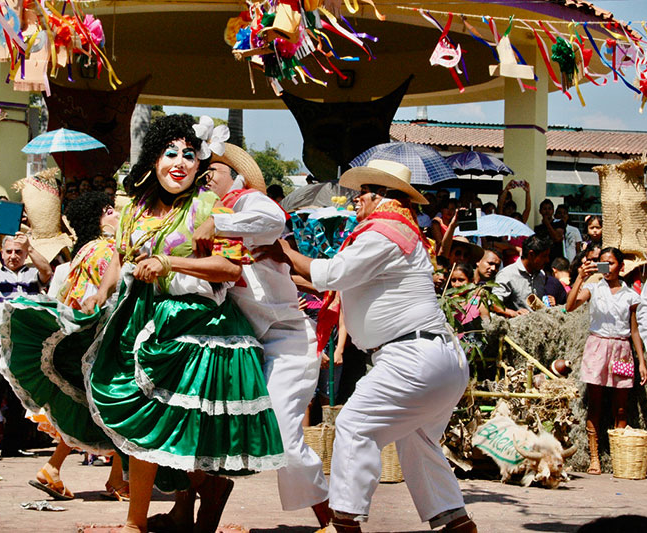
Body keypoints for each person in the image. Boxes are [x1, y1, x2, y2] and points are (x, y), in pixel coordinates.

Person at [0, 115, 284, 533]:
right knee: (140, 421)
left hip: (195, 327)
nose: (180, 162)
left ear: (200, 163)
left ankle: (189, 498)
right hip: (137, 321)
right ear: (153, 159)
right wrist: (101, 292)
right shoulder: (136, 207)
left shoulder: (210, 207)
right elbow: (120, 256)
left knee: (175, 428)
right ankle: (150, 516)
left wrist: (170, 262)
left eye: (190, 154)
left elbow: (228, 268)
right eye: (171, 153)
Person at [260, 159, 475, 533]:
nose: (356, 199)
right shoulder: (401, 233)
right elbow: (338, 284)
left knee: (354, 426)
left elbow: (333, 273)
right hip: (436, 358)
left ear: (383, 196)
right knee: (417, 439)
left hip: (413, 357)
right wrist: (288, 265)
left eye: (364, 192)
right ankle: (456, 522)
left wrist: (285, 252)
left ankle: (344, 522)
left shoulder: (385, 232)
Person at [190, 142, 331, 527]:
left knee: (283, 436)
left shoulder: (247, 202)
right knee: (204, 426)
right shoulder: (198, 212)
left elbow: (272, 219)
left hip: (287, 339)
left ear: (235, 176)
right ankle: (194, 515)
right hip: (238, 347)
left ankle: (334, 519)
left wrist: (218, 223)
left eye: (212, 171)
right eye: (202, 173)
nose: (205, 178)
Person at [29, 191, 129, 501]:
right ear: (98, 219)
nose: (116, 215)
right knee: (121, 405)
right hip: (106, 339)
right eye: (110, 211)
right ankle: (116, 480)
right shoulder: (104, 249)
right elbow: (119, 290)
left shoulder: (84, 250)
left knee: (94, 407)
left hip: (88, 340)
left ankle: (57, 469)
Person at [0, 222, 52, 460]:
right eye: (9, 251)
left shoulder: (32, 273)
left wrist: (31, 247)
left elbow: (47, 271)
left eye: (18, 251)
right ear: (1, 253)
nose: (13, 255)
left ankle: (12, 445)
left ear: (25, 254)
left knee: (21, 393)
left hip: (25, 341)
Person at [566, 247, 647, 475]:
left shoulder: (630, 295)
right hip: (597, 347)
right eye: (602, 263)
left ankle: (619, 456)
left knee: (620, 407)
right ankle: (594, 457)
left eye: (610, 263)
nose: (606, 268)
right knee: (595, 403)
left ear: (621, 267)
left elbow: (634, 330)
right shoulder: (593, 289)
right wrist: (580, 278)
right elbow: (569, 306)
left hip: (622, 349)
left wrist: (641, 361)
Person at [491, 235, 551, 317]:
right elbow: (494, 303)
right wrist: (513, 313)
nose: (547, 260)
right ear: (531, 254)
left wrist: (548, 301)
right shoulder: (507, 275)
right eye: (544, 256)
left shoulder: (541, 275)